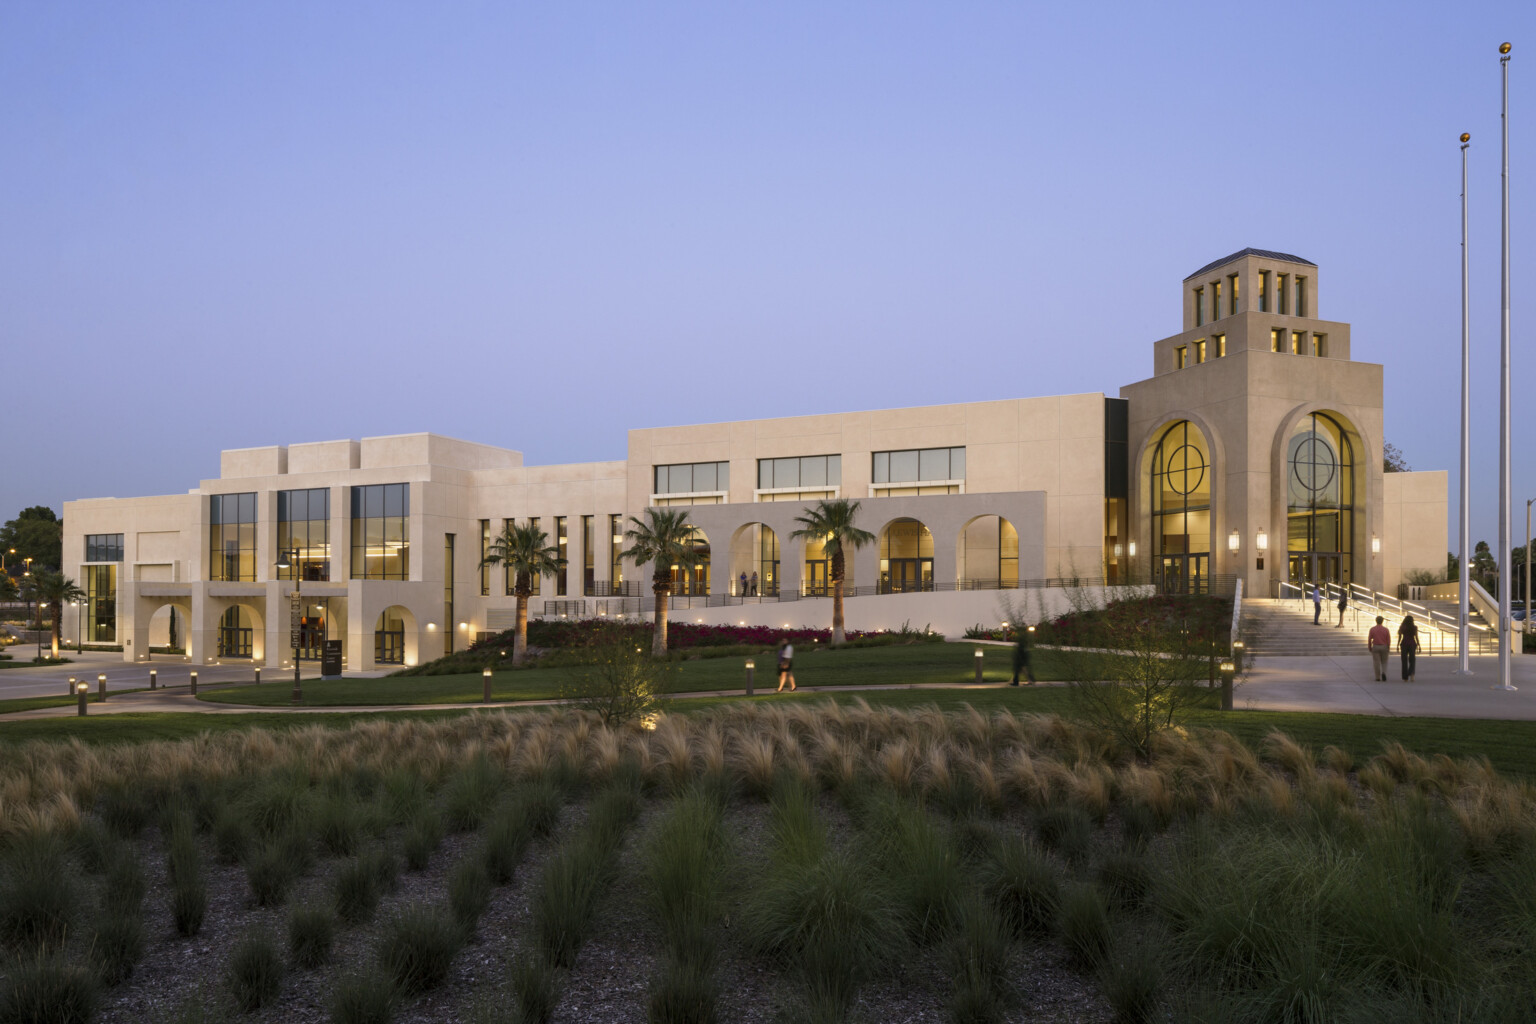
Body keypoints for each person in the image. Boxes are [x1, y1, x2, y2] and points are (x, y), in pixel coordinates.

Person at [1367, 615, 1391, 680]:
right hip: (1384, 646)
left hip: (1376, 646)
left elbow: (1369, 639)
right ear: (1382, 621)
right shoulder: (1386, 630)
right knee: (1384, 661)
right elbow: (1388, 639)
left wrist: (1369, 647)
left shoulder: (1372, 629)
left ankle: (1377, 677)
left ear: (1376, 621)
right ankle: (1384, 672)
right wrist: (1388, 647)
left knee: (1376, 662)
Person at [1398, 614, 1419, 682]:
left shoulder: (1402, 627)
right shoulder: (1414, 627)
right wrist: (1419, 644)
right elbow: (1416, 636)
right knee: (1412, 659)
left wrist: (1398, 644)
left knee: (1404, 660)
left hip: (1404, 643)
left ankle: (1405, 677)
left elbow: (1400, 637)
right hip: (1412, 644)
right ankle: (1411, 674)